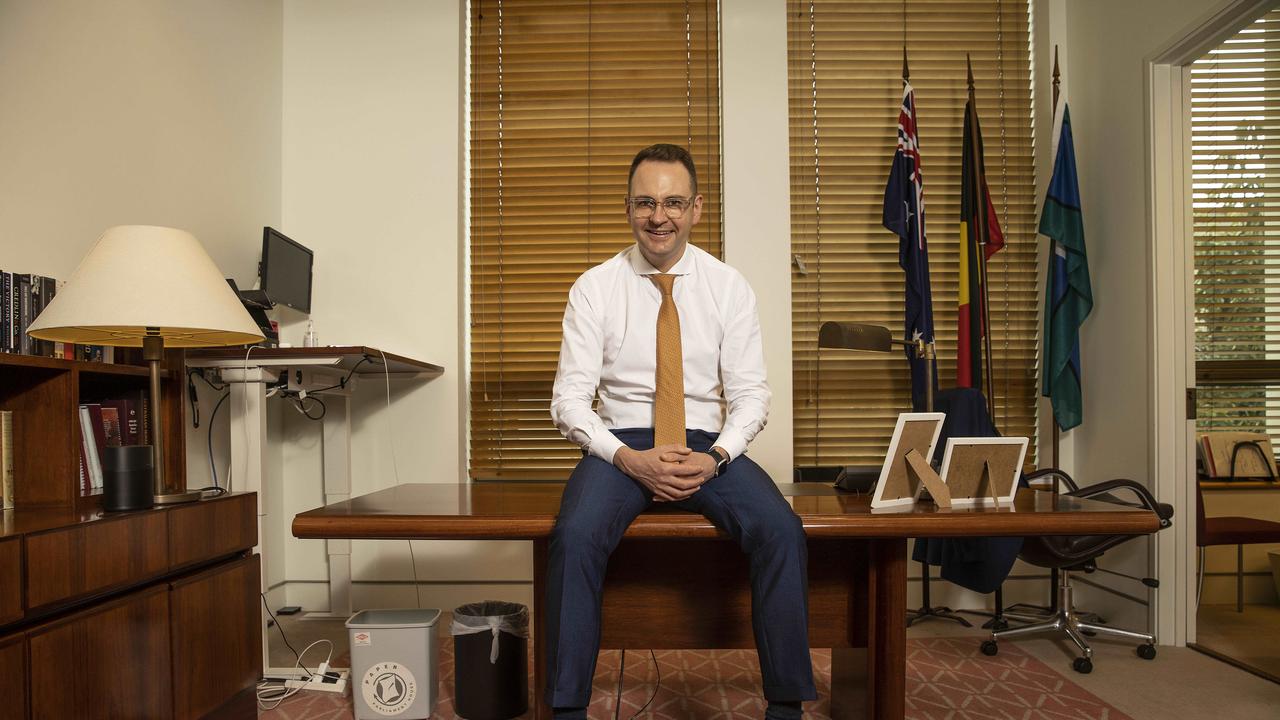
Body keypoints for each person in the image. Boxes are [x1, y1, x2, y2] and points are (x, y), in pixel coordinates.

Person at [546, 143, 816, 719]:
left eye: (672, 202)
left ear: (697, 208)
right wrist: (626, 458)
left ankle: (786, 706)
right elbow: (569, 400)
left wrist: (716, 456)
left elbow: (751, 396)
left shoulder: (728, 287)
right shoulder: (595, 286)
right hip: (621, 444)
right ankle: (567, 709)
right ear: (627, 208)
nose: (658, 216)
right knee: (573, 538)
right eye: (645, 202)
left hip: (706, 444)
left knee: (781, 531)